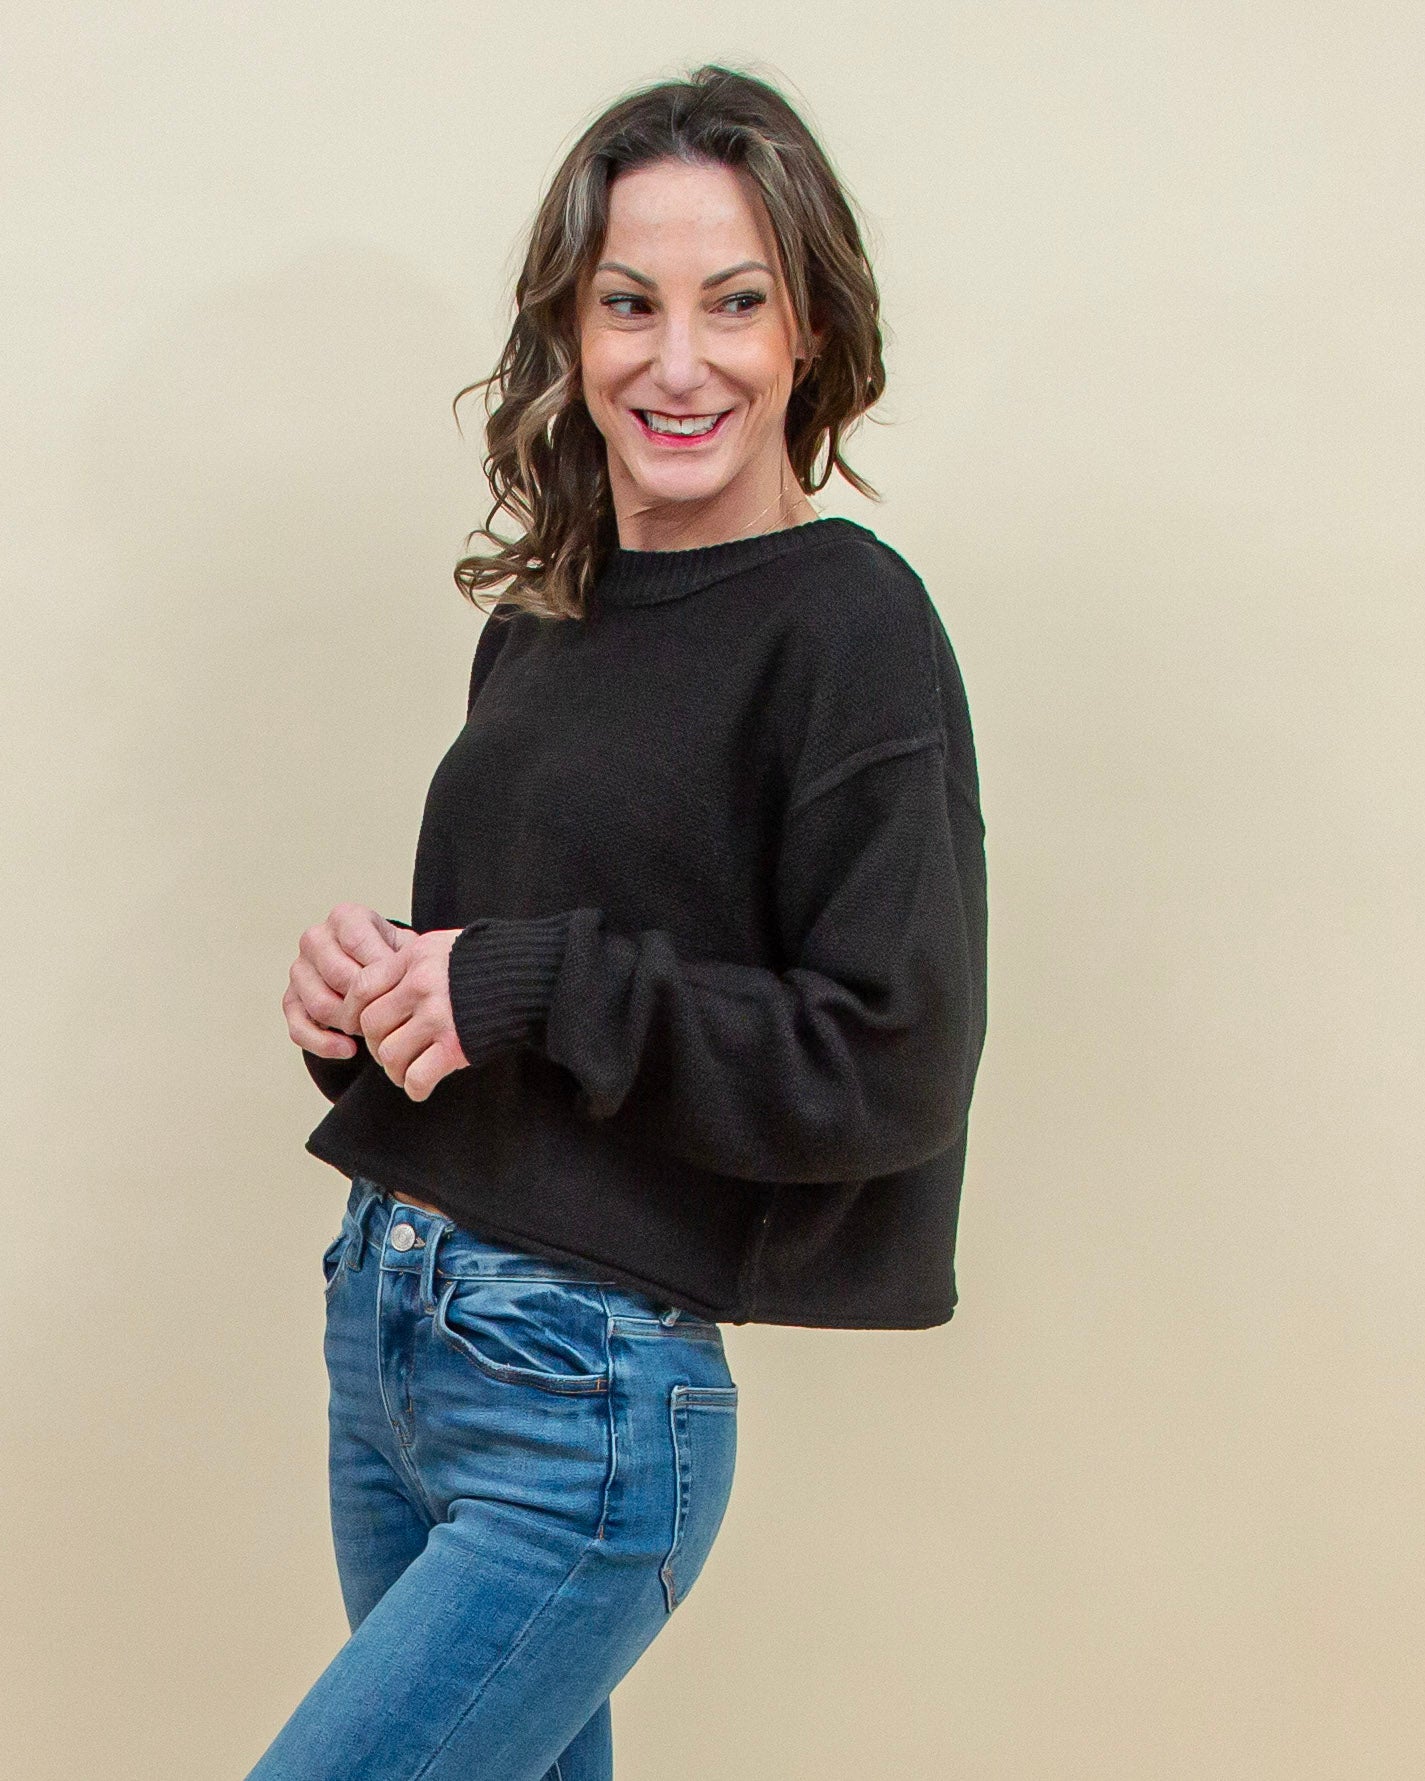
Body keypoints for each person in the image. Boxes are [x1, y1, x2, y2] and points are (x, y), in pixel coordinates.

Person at [259, 62, 988, 1781]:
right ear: (569, 333)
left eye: (734, 303)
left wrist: (520, 978)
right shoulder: (544, 620)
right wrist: (374, 1001)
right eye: (627, 304)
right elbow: (523, 1016)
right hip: (393, 1334)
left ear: (808, 332)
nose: (677, 361)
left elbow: (887, 1056)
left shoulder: (849, 627)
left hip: (576, 1393)